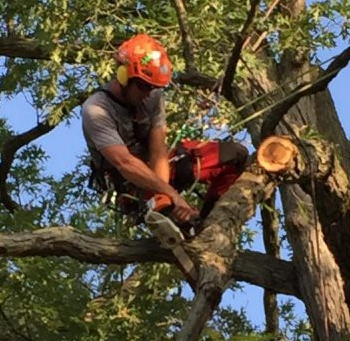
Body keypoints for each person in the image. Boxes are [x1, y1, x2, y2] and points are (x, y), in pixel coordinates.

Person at [81, 34, 247, 229]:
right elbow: (125, 163)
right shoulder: (96, 110)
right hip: (132, 184)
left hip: (161, 170)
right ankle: (185, 224)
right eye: (143, 86)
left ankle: (209, 221)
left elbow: (158, 149)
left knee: (236, 155)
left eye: (153, 87)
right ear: (123, 75)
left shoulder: (152, 97)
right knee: (171, 214)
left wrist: (166, 194)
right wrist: (170, 196)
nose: (147, 93)